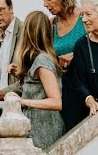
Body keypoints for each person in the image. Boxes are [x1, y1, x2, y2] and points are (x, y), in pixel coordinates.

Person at [9, 11, 63, 149]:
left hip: (45, 128)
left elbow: (56, 102)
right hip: (38, 126)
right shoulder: (37, 59)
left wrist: (23, 102)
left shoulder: (42, 61)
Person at [38, 0, 84, 69]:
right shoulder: (51, 24)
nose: (45, 4)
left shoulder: (84, 16)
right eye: (43, 0)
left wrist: (76, 55)